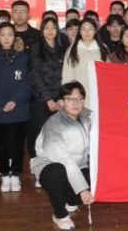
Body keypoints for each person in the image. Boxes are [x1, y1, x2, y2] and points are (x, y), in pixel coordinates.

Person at [31, 81, 94, 231]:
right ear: (61, 102)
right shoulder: (54, 124)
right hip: (51, 166)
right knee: (57, 172)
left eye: (79, 99)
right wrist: (82, 189)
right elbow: (64, 160)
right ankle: (60, 214)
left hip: (77, 166)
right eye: (70, 99)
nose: (76, 103)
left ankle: (69, 199)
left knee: (96, 176)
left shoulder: (86, 118)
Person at [0, 23, 31, 193]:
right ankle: (4, 174)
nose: (6, 38)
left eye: (10, 34)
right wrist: (3, 102)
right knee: (2, 144)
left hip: (19, 108)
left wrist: (15, 101)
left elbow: (28, 83)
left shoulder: (23, 57)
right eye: (2, 35)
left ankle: (15, 174)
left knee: (18, 144)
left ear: (15, 37)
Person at [28, 18, 67, 167]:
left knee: (58, 134)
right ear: (42, 30)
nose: (50, 31)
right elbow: (35, 75)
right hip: (41, 99)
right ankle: (40, 165)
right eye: (46, 28)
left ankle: (55, 164)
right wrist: (48, 99)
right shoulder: (36, 48)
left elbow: (67, 74)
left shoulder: (63, 48)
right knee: (40, 133)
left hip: (60, 99)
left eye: (53, 27)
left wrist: (62, 97)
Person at [62, 18, 107, 109]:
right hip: (78, 94)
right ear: (80, 32)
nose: (87, 32)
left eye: (90, 29)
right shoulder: (72, 49)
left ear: (95, 31)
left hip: (99, 93)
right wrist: (69, 93)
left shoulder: (103, 48)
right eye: (83, 29)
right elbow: (67, 74)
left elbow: (109, 72)